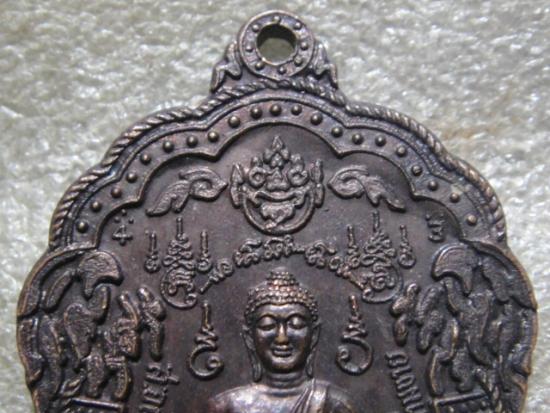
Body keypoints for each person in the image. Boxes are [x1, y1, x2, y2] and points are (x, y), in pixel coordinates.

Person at [207, 267, 357, 413]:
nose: (282, 338)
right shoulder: (227, 406)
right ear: (249, 337)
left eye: (296, 324)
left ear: (314, 335)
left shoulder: (333, 403)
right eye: (267, 325)